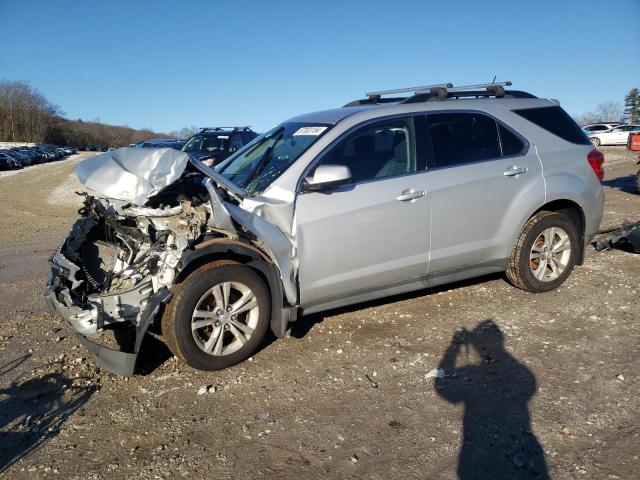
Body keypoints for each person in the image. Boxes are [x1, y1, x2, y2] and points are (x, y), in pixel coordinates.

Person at [435, 320, 549, 479]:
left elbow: (447, 391)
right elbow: (528, 388)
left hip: (477, 451)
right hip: (520, 440)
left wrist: (454, 348)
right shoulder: (521, 371)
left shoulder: (475, 371)